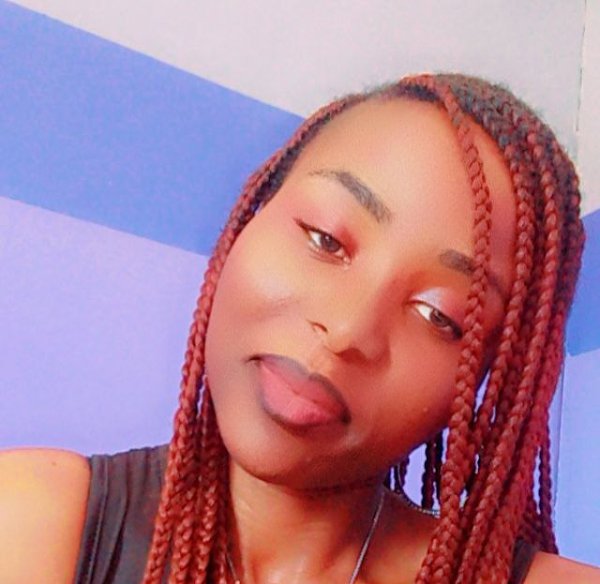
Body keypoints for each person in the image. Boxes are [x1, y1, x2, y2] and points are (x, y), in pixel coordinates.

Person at [1, 73, 598, 584]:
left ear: (490, 381)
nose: (345, 329)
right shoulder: (29, 521)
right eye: (325, 238)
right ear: (251, 213)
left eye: (439, 315)